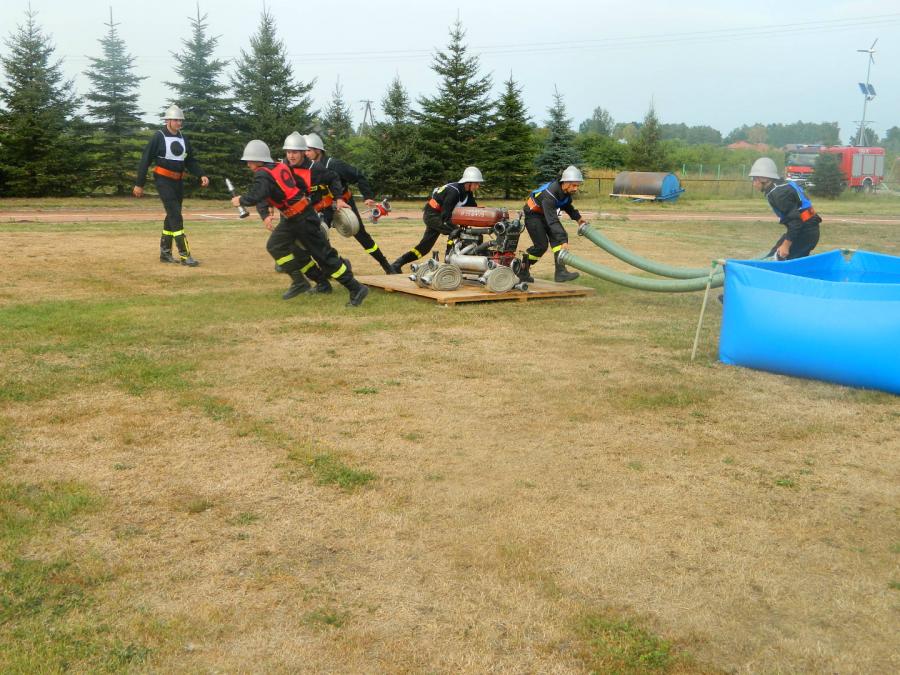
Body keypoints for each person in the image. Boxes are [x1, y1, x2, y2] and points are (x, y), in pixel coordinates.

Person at [231, 140, 368, 307]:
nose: (248, 164)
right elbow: (300, 184)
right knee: (276, 246)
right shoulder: (280, 166)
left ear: (258, 159)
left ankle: (356, 288)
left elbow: (257, 194)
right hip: (294, 217)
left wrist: (241, 200)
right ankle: (302, 282)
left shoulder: (262, 173)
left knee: (324, 256)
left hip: (302, 218)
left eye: (250, 160)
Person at [304, 133, 396, 274]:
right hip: (325, 207)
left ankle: (387, 266)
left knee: (361, 235)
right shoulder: (307, 168)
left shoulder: (335, 165)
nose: (305, 153)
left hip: (345, 204)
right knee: (320, 236)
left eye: (308, 150)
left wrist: (367, 196)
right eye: (303, 150)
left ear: (318, 150)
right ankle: (338, 265)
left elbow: (359, 176)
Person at [133, 104, 209, 266]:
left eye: (180, 120)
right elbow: (145, 160)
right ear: (168, 120)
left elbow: (190, 160)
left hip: (178, 182)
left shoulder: (183, 138)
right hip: (163, 181)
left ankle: (165, 254)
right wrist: (139, 184)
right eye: (176, 120)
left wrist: (201, 174)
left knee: (172, 215)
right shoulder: (158, 136)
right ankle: (185, 256)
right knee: (175, 215)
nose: (179, 123)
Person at [391, 166, 483, 273]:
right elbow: (446, 216)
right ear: (468, 182)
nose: (478, 186)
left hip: (441, 216)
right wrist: (456, 228)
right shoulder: (454, 192)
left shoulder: (468, 193)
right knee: (456, 232)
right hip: (432, 215)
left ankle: (396, 265)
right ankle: (449, 264)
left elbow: (473, 209)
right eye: (476, 183)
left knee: (424, 248)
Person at [518, 166, 584, 283]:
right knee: (541, 246)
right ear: (565, 183)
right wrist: (564, 240)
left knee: (558, 241)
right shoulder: (550, 194)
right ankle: (522, 270)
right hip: (533, 215)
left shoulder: (565, 192)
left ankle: (561, 273)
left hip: (545, 214)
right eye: (574, 185)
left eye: (578, 185)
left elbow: (567, 205)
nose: (576, 188)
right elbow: (552, 220)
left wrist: (578, 218)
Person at [749, 157, 822, 260]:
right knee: (772, 256)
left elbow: (796, 221)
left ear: (763, 178)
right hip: (803, 229)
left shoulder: (779, 194)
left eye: (754, 179)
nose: (753, 183)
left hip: (806, 232)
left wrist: (786, 245)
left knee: (781, 260)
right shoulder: (780, 186)